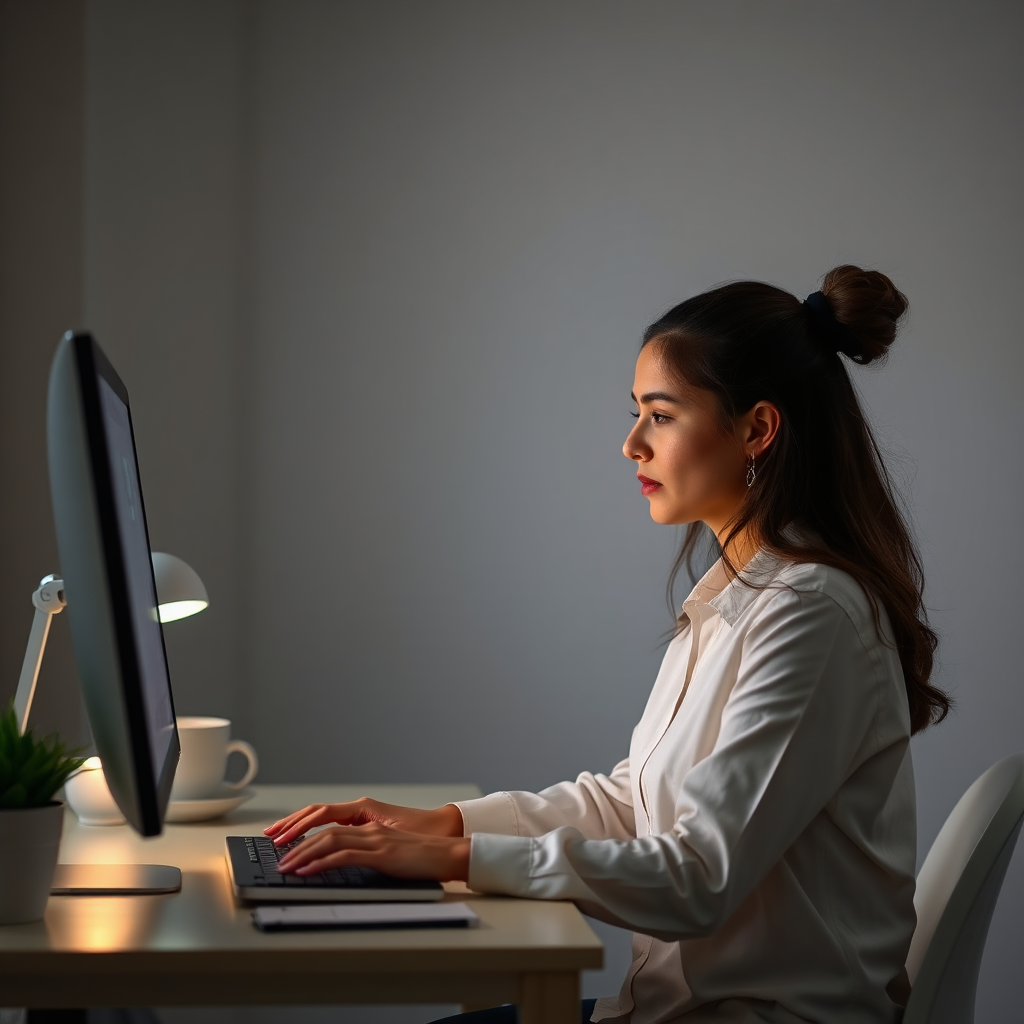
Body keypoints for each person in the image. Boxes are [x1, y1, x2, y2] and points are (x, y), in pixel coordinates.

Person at [265, 265, 949, 1024]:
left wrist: (458, 859)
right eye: (637, 414)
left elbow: (698, 876)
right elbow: (634, 802)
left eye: (661, 415)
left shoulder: (809, 614)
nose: (631, 445)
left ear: (756, 429)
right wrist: (447, 824)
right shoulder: (741, 598)